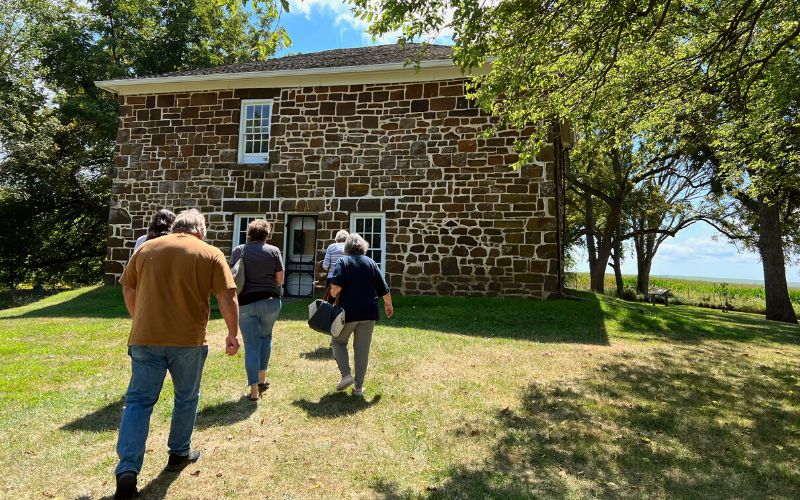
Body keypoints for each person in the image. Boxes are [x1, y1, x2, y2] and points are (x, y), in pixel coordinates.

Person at [113, 209, 240, 499]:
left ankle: (127, 470)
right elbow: (226, 295)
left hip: (145, 338)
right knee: (186, 398)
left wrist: (138, 318)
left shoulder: (146, 248)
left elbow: (128, 287)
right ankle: (179, 453)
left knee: (138, 402)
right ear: (200, 231)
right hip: (189, 340)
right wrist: (233, 333)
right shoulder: (209, 253)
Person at [328, 233, 393, 397]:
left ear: (347, 248)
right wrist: (388, 304)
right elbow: (383, 288)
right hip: (369, 312)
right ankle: (358, 388)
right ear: (363, 247)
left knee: (338, 341)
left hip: (348, 312)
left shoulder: (343, 261)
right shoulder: (371, 263)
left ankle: (346, 375)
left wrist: (334, 293)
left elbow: (335, 289)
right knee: (362, 350)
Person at [229, 219, 284, 401]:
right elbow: (280, 280)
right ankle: (262, 379)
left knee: (251, 345)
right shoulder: (274, 251)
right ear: (266, 235)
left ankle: (253, 391)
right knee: (266, 337)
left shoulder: (239, 250)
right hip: (270, 301)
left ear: (249, 234)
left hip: (245, 304)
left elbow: (232, 277)